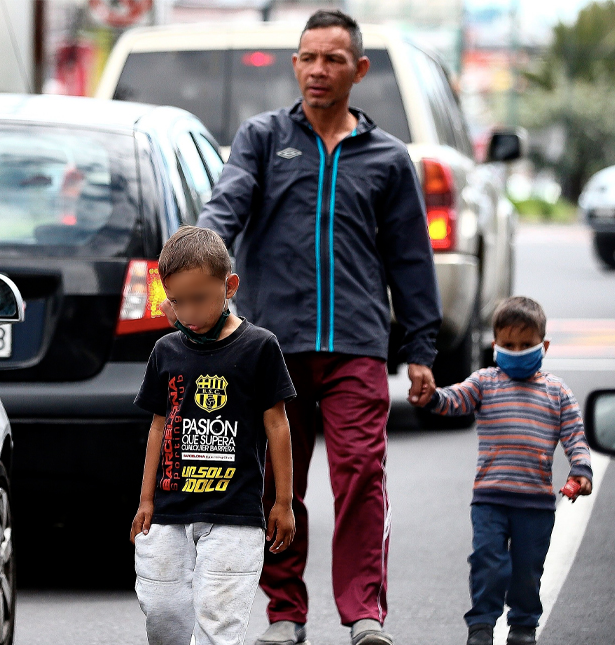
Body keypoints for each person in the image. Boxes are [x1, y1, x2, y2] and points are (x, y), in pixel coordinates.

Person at [177, 9, 443, 645]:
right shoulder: (264, 138)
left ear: (358, 69)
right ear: (295, 64)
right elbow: (228, 202)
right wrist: (197, 261)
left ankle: (363, 614)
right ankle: (285, 614)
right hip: (274, 348)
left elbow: (411, 256)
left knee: (360, 475)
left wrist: (421, 348)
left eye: (332, 59)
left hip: (355, 341)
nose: (318, 70)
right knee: (277, 483)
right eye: (308, 58)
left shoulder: (387, 158)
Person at [130, 226, 298, 645]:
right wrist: (146, 499)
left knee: (219, 623)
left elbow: (277, 424)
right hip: (169, 510)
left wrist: (282, 501)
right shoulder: (166, 351)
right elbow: (158, 425)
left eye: (200, 298)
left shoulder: (260, 347)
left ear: (229, 286)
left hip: (235, 515)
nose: (188, 312)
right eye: (177, 301)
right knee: (162, 609)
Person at [413, 296, 593, 645]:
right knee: (488, 563)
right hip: (490, 500)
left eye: (526, 345)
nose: (517, 350)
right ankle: (481, 625)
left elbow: (575, 435)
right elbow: (455, 399)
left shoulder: (557, 393)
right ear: (495, 345)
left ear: (545, 345)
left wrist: (580, 469)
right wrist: (432, 397)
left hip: (536, 504)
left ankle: (523, 626)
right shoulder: (484, 382)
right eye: (509, 344)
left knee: (527, 570)